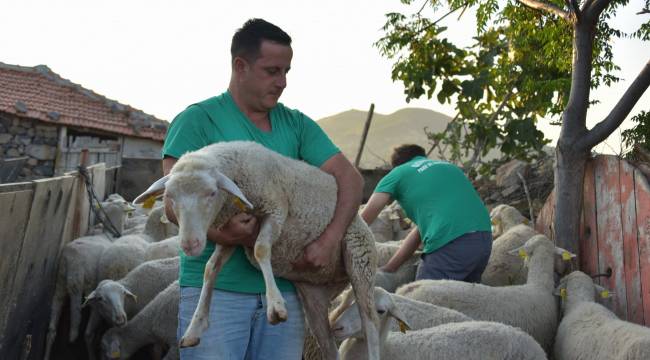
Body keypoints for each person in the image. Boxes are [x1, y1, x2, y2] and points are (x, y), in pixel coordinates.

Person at [161, 19, 363, 360]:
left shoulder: (296, 124)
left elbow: (351, 179)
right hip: (218, 296)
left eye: (286, 71)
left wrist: (329, 241)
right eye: (272, 71)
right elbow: (172, 200)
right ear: (240, 66)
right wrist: (221, 232)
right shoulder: (198, 120)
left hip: (285, 293)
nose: (282, 82)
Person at [360, 144, 492, 283]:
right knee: (463, 300)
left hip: (451, 243)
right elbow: (419, 233)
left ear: (396, 165)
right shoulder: (449, 167)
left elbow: (366, 217)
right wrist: (390, 268)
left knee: (421, 297)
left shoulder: (397, 173)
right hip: (484, 240)